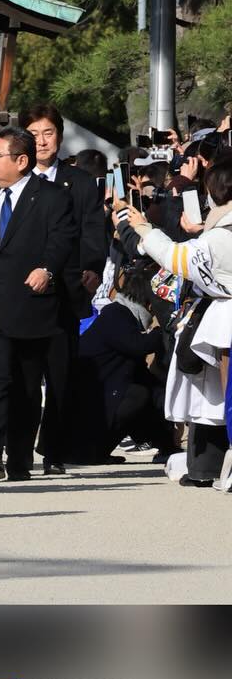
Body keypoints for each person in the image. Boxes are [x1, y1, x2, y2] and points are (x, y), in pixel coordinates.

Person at [0, 125, 78, 482]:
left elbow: (62, 240)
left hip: (31, 306)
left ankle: (19, 459)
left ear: (22, 161)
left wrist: (47, 269)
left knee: (25, 387)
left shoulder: (52, 197)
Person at [115, 154, 232, 487]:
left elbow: (175, 257)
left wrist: (143, 228)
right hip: (219, 316)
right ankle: (207, 467)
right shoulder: (216, 232)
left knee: (221, 398)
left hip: (225, 319)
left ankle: (210, 468)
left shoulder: (218, 237)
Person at [18, 102, 108, 476]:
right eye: (33, 134)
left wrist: (92, 268)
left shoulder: (80, 182)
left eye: (48, 133)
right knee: (23, 377)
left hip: (67, 291)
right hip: (21, 292)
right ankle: (19, 450)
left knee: (60, 374)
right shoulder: (12, 181)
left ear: (59, 135)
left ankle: (54, 449)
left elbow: (94, 231)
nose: (41, 141)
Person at [65, 260, 174, 464]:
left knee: (149, 390)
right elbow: (137, 346)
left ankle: (166, 447)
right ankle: (93, 452)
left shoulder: (121, 315)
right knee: (137, 395)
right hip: (89, 400)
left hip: (100, 393)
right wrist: (162, 332)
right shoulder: (116, 315)